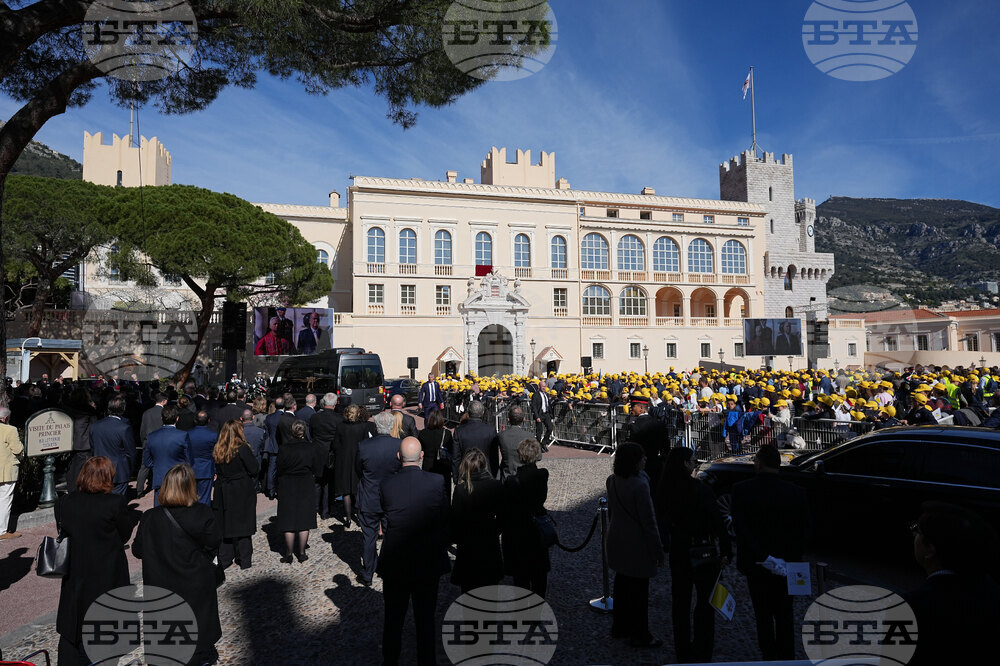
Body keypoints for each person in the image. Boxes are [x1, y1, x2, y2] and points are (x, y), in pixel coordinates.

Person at [133, 464, 222, 666]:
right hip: (193, 585)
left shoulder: (150, 517)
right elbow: (214, 541)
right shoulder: (201, 513)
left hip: (160, 587)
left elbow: (138, 550)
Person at [730, 444, 808, 662]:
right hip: (788, 562)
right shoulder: (796, 492)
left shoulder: (741, 490)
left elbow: (741, 529)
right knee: (785, 613)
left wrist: (762, 554)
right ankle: (787, 654)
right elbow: (803, 530)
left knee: (762, 613)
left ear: (759, 463)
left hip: (757, 562)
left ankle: (769, 655)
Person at [377, 436, 450, 666]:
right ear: (421, 457)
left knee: (393, 618)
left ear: (399, 458)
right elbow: (444, 517)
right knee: (425, 619)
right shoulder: (437, 482)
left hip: (396, 559)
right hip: (427, 559)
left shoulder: (387, 484)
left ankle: (390, 660)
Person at [54, 457, 133, 665]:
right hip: (106, 572)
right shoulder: (114, 503)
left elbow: (62, 532)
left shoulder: (64, 503)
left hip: (76, 571)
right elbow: (124, 534)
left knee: (75, 623)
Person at [656, 446, 731, 663]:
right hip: (703, 549)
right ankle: (703, 647)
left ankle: (682, 649)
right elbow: (717, 521)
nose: (695, 464)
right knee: (705, 602)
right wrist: (726, 549)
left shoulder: (665, 489)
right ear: (684, 464)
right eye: (693, 461)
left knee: (680, 601)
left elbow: (661, 521)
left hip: (680, 549)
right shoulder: (700, 489)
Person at [904, 502, 1000, 665]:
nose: (914, 536)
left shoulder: (913, 608)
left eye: (917, 531)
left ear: (930, 550)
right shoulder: (993, 594)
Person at [605, 442, 663, 648]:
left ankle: (620, 626)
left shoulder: (612, 480)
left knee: (621, 586)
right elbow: (649, 522)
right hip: (637, 543)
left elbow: (612, 511)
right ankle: (641, 634)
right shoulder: (640, 485)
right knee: (639, 591)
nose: (646, 459)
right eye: (642, 456)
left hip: (618, 538)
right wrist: (658, 549)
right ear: (635, 461)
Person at [356, 410, 402, 585]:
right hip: (391, 497)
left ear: (376, 427)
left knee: (369, 537)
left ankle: (368, 572)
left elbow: (358, 469)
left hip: (370, 496)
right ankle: (386, 567)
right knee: (390, 535)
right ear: (391, 427)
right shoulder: (399, 445)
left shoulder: (364, 446)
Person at [450, 448, 504, 593]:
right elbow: (503, 516)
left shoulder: (461, 489)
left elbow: (454, 519)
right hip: (489, 542)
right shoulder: (495, 486)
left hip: (468, 545)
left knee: (468, 593)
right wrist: (495, 530)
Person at [502, 438, 551, 597]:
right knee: (539, 577)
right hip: (536, 527)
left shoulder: (511, 481)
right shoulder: (542, 474)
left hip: (519, 529)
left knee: (521, 578)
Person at [212, 420, 260, 570]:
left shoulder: (218, 449)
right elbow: (253, 469)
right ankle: (244, 558)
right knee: (243, 523)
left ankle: (225, 558)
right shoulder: (242, 448)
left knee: (225, 523)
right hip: (240, 489)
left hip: (223, 489)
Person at [275, 419, 322, 563]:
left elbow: (279, 468)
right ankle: (301, 553)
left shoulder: (284, 448)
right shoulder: (311, 447)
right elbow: (316, 467)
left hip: (288, 484)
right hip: (305, 483)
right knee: (304, 518)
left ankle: (288, 553)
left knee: (288, 518)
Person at [333, 404, 375, 528]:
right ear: (358, 414)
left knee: (346, 491)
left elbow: (335, 445)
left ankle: (349, 518)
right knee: (358, 490)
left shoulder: (340, 426)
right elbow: (367, 444)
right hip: (358, 460)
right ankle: (360, 518)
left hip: (344, 461)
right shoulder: (363, 426)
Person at [144, 404, 193, 507]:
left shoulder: (152, 436)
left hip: (159, 477)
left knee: (159, 510)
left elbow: (147, 462)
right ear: (177, 418)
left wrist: (158, 466)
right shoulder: (182, 435)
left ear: (162, 418)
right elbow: (189, 460)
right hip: (178, 479)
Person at [89, 395, 137, 496]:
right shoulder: (124, 428)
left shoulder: (95, 426)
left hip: (101, 469)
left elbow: (93, 448)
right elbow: (131, 452)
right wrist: (131, 469)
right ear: (123, 409)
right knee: (117, 501)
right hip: (119, 471)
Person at [310, 393, 342, 519]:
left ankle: (315, 508)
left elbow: (312, 434)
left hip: (318, 451)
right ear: (334, 404)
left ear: (323, 403)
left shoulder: (314, 417)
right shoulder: (339, 419)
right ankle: (326, 509)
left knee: (318, 482)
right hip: (331, 453)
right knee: (329, 483)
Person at [451, 400, 500, 482]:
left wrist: (456, 478)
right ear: (483, 412)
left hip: (466, 472)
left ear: (468, 413)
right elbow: (494, 457)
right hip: (485, 472)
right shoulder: (490, 430)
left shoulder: (459, 431)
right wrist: (494, 475)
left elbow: (456, 457)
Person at [416, 408, 453, 497]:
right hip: (443, 465)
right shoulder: (447, 433)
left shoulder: (423, 433)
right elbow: (451, 449)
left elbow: (420, 449)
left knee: (428, 492)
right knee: (445, 492)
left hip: (428, 465)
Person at [0, 407, 24, 539]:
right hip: (6, 470)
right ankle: (2, 531)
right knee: (5, 500)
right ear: (5, 418)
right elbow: (18, 449)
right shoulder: (10, 429)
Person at [187, 411, 218, 505]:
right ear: (208, 420)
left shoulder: (187, 434)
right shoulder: (213, 435)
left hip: (191, 468)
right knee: (205, 498)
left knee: (190, 497)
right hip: (206, 469)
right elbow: (216, 454)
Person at [498, 405, 532, 481]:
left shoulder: (502, 435)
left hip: (507, 475)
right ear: (524, 419)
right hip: (524, 476)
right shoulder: (529, 436)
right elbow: (538, 457)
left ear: (508, 420)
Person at [530, 381, 554, 451]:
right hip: (539, 414)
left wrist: (551, 415)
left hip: (546, 414)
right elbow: (533, 406)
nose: (544, 388)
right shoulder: (535, 395)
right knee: (539, 431)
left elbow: (548, 405)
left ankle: (543, 443)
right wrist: (537, 416)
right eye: (542, 386)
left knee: (550, 428)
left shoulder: (546, 394)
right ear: (539, 387)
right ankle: (538, 446)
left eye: (545, 386)